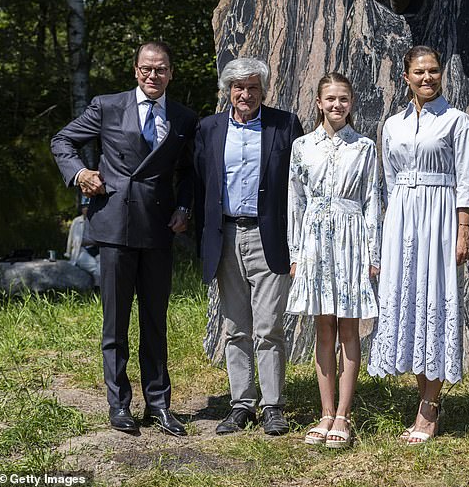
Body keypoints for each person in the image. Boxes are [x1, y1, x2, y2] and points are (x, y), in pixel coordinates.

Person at [51, 41, 197, 436]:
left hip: (158, 230)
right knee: (115, 323)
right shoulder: (108, 106)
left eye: (161, 69)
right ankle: (119, 405)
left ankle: (159, 405)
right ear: (136, 70)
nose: (154, 76)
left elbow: (189, 173)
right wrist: (81, 174)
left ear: (171, 73)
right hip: (114, 225)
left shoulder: (184, 117)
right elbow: (61, 141)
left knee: (155, 321)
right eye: (147, 69)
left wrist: (184, 209)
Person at [368, 45, 469, 444]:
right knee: (409, 304)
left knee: (434, 299)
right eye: (419, 72)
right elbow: (388, 180)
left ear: (441, 74)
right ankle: (423, 397)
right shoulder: (392, 124)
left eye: (433, 71)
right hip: (401, 218)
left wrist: (463, 230)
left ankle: (429, 408)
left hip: (440, 218)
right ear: (406, 77)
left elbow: (467, 183)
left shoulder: (457, 121)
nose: (427, 78)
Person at [194, 57, 303, 436]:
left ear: (264, 90)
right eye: (238, 88)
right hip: (224, 236)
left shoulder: (285, 124)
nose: (245, 94)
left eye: (253, 88)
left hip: (269, 237)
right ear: (228, 91)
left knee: (269, 327)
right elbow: (199, 183)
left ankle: (273, 406)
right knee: (234, 327)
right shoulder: (209, 128)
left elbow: (299, 183)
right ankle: (241, 404)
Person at [287, 73, 381, 448]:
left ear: (351, 103)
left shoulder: (364, 147)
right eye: (330, 99)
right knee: (322, 328)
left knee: (348, 329)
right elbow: (294, 202)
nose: (337, 105)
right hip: (313, 240)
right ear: (318, 102)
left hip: (351, 238)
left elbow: (373, 200)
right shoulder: (302, 146)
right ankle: (324, 413)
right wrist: (295, 254)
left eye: (343, 99)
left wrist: (372, 254)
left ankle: (344, 415)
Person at [65, 195, 100, 287]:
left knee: (101, 267)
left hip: (97, 250)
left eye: (88, 207)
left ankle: (99, 289)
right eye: (84, 207)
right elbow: (70, 238)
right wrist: (68, 253)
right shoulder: (77, 221)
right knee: (94, 267)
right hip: (81, 250)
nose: (86, 209)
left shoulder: (98, 220)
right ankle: (97, 289)